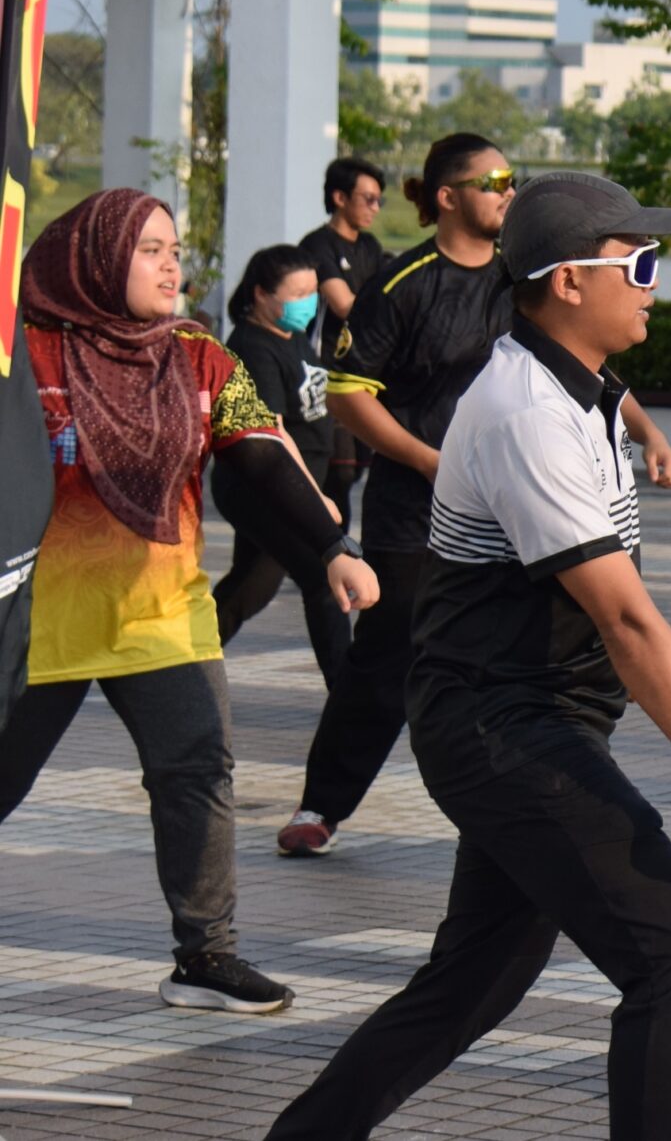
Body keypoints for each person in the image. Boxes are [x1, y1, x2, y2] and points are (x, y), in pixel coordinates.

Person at [267, 173, 671, 1141]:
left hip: (528, 718)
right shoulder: (526, 412)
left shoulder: (579, 390)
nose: (654, 282)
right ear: (567, 281)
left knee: (476, 978)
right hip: (502, 727)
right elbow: (628, 621)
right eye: (637, 263)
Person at [0, 190, 377, 1014]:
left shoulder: (200, 356)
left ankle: (206, 957)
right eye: (149, 250)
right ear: (95, 257)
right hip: (36, 620)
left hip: (162, 614)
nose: (172, 265)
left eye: (175, 249)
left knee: (198, 770)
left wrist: (331, 548)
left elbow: (262, 454)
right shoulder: (21, 351)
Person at [283, 137, 671, 857]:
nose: (506, 191)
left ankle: (508, 799)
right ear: (447, 197)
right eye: (492, 180)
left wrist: (648, 432)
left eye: (511, 179)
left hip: (528, 507)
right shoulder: (403, 283)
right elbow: (346, 393)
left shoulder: (527, 278)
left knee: (523, 657)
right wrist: (429, 460)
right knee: (387, 657)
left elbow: (590, 369)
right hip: (423, 510)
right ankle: (324, 802)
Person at [212, 244, 352, 684]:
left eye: (313, 292)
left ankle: (180, 663)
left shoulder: (291, 337)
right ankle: (347, 695)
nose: (308, 302)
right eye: (298, 294)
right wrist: (311, 496)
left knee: (251, 587)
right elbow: (271, 435)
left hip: (293, 481)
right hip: (266, 485)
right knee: (323, 575)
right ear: (261, 294)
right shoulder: (253, 348)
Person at [299, 155, 388, 520]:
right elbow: (343, 304)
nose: (375, 207)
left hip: (362, 373)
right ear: (339, 197)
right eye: (368, 198)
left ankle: (337, 544)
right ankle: (325, 545)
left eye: (379, 200)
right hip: (324, 372)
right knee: (338, 471)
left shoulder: (370, 247)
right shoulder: (317, 244)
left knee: (354, 471)